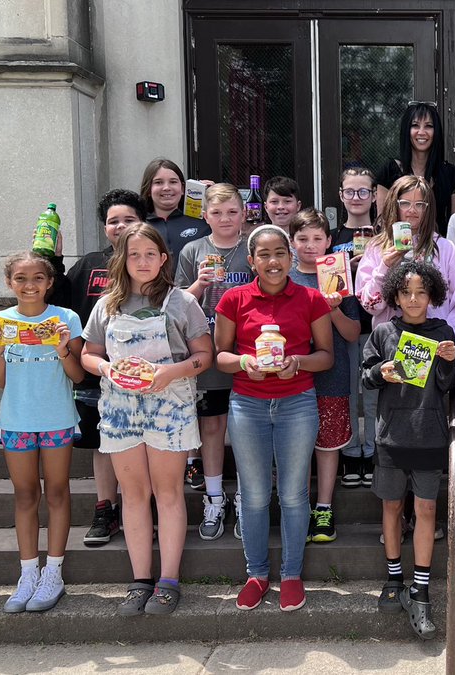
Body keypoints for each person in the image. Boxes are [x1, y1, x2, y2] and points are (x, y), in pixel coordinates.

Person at [80, 224, 211, 616]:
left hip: (169, 406)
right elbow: (89, 354)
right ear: (122, 259)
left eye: (149, 255)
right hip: (121, 408)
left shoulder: (182, 302)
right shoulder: (107, 305)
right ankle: (140, 580)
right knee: (133, 494)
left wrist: (170, 373)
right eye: (133, 255)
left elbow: (204, 355)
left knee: (167, 492)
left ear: (163, 259)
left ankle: (168, 580)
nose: (141, 262)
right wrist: (107, 369)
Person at [213, 223, 333, 613]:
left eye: (279, 253)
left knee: (294, 494)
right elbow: (222, 357)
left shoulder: (311, 298)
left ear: (290, 257)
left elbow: (326, 356)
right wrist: (246, 361)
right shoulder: (234, 299)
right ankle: (257, 573)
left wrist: (297, 362)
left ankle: (292, 574)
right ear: (252, 261)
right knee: (254, 495)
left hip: (297, 401)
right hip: (247, 404)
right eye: (263, 255)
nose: (272, 261)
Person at [362, 259, 455, 639]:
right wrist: (378, 373)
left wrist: (449, 362)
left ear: (433, 294)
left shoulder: (442, 330)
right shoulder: (384, 331)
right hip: (391, 436)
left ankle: (420, 588)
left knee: (427, 507)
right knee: (391, 505)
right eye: (406, 292)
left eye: (421, 292)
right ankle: (393, 577)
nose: (414, 299)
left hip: (429, 434)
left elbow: (448, 385)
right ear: (395, 295)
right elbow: (366, 377)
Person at [0, 252, 85, 613]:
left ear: (50, 282)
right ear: (9, 283)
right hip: (16, 419)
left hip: (56, 417)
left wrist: (62, 350)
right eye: (21, 279)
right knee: (25, 495)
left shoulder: (66, 318)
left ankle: (53, 571)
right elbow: (0, 382)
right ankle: (28, 572)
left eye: (38, 278)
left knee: (57, 492)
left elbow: (77, 376)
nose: (30, 285)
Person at [176, 183, 255, 539]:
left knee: (244, 430)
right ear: (205, 215)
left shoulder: (252, 248)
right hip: (205, 351)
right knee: (211, 427)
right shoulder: (193, 250)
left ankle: (245, 499)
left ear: (244, 214)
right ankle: (213, 497)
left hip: (246, 351)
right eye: (217, 212)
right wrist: (198, 286)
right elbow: (176, 304)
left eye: (232, 212)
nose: (225, 219)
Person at [67, 189, 145, 547]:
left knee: (141, 442)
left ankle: (142, 508)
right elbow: (64, 306)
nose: (120, 226)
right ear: (104, 227)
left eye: (129, 219)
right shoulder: (88, 264)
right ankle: (105, 508)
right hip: (97, 372)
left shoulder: (150, 261)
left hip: (144, 375)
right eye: (114, 221)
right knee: (102, 443)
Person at [288, 208, 361, 543]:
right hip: (292, 377)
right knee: (297, 447)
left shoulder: (338, 276)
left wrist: (332, 307)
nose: (310, 245)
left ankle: (324, 508)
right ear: (291, 241)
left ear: (330, 241)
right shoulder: (284, 277)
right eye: (302, 238)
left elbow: (352, 333)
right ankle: (299, 510)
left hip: (332, 376)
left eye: (318, 238)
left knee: (328, 446)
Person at [356, 174, 455, 347]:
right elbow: (371, 306)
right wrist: (384, 266)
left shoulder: (445, 249)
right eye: (405, 203)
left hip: (435, 347)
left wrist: (444, 340)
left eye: (420, 204)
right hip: (391, 345)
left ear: (428, 209)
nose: (412, 210)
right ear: (394, 204)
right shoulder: (376, 247)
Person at [331, 167, 378, 489]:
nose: (357, 198)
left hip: (378, 327)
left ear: (374, 195)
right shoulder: (332, 237)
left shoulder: (386, 235)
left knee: (375, 393)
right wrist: (346, 270)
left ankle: (373, 451)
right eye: (350, 191)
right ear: (341, 195)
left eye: (363, 191)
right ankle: (350, 452)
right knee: (348, 391)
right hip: (343, 324)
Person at [375, 101, 455, 237]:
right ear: (406, 130)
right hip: (398, 249)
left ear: (436, 132)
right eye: (415, 125)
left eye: (428, 126)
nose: (421, 132)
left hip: (439, 251)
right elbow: (383, 222)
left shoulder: (452, 175)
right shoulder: (389, 171)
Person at [140, 157, 210, 258]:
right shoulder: (139, 224)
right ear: (148, 189)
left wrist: (215, 198)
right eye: (158, 182)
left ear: (182, 188)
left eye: (173, 182)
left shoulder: (205, 221)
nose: (167, 188)